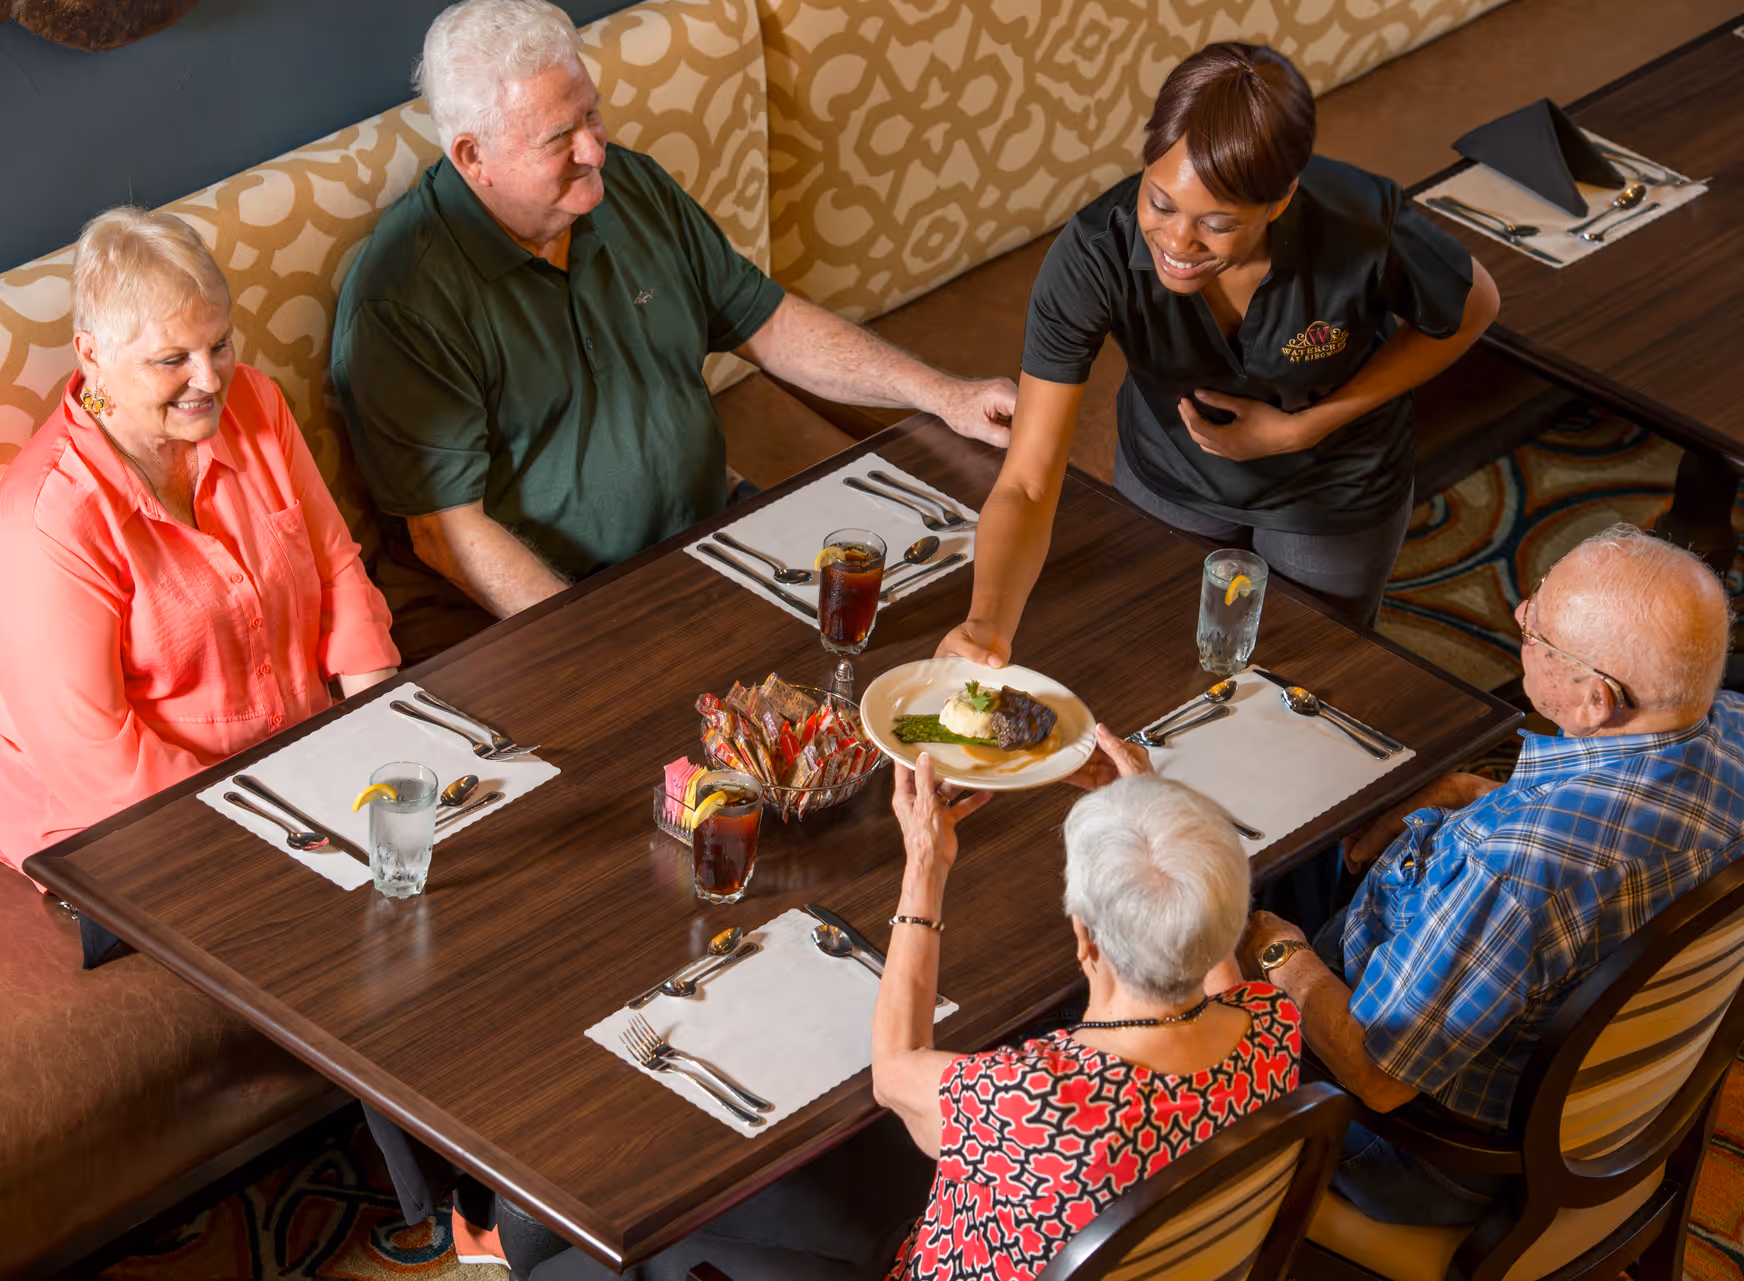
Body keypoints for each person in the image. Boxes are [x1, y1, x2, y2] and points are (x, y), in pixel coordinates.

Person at [331, 0, 1016, 635]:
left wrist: (945, 395)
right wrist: (594, 641)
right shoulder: (403, 296)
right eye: (558, 138)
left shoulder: (628, 187)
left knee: (949, 617)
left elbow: (767, 324)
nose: (594, 151)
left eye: (591, 116)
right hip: (531, 616)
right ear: (474, 157)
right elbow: (448, 534)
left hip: (705, 542)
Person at [513, 735, 1298, 1281]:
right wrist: (1151, 805)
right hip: (1062, 1235)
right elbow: (1223, 973)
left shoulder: (1031, 1100)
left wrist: (924, 863)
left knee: (583, 1263)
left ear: (1085, 939)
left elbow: (894, 1073)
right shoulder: (1273, 1031)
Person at [1242, 523, 1744, 1225]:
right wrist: (1463, 792)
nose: (1518, 618)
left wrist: (1274, 951)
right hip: (1607, 1100)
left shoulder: (1509, 867)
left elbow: (1377, 1078)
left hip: (1424, 1154)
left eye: (1539, 631)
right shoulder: (1732, 727)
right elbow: (1608, 844)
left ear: (1598, 700)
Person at [940, 42, 1500, 668]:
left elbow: (1473, 301)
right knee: (1155, 660)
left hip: (1332, 490)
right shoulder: (1095, 253)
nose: (1177, 242)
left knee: (1307, 675)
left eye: (1218, 224)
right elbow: (1027, 480)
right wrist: (986, 622)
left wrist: (1305, 428)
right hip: (1169, 479)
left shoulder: (1358, 221)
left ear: (1281, 201)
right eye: (1160, 202)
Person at [0, 207, 399, 875]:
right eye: (173, 359)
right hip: (123, 820)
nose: (210, 379)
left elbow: (338, 570)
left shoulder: (254, 403)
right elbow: (98, 758)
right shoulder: (48, 520)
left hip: (293, 768)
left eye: (220, 343)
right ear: (93, 356)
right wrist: (286, 823)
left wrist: (381, 725)